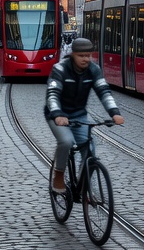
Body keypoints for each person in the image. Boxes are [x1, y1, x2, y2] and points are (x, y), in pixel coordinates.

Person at [44, 38, 125, 192]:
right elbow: (52, 94)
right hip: (57, 115)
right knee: (66, 142)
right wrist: (57, 114)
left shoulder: (94, 70)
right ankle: (59, 174)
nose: (86, 59)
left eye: (88, 55)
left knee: (90, 148)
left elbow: (103, 91)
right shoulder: (60, 69)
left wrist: (114, 112)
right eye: (81, 56)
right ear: (73, 54)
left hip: (79, 115)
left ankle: (83, 183)